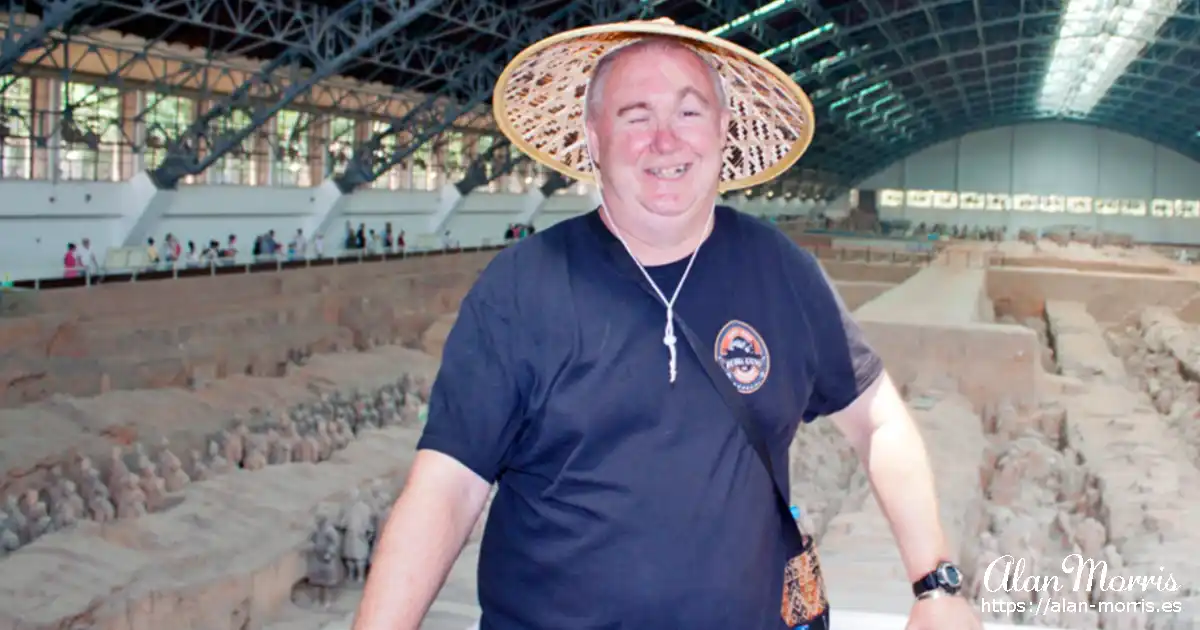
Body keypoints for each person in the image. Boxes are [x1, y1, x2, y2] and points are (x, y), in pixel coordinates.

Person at [354, 18, 978, 630]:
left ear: (722, 131)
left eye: (688, 111)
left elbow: (877, 416)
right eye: (634, 115)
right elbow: (446, 489)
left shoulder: (782, 273)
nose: (665, 140)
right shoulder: (520, 289)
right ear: (594, 139)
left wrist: (936, 583)